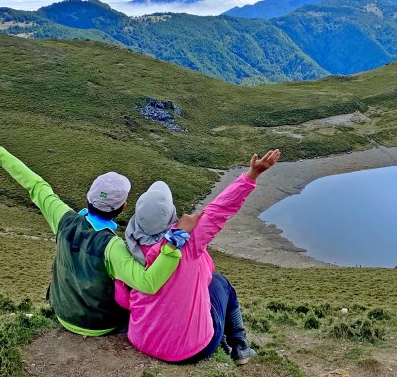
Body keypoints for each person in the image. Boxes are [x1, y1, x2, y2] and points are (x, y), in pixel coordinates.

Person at [0, 125, 188, 336]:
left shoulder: (63, 218)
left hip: (62, 313)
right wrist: (171, 247)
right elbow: (148, 282)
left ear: (89, 197)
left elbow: (34, 183)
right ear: (123, 208)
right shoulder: (112, 247)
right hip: (99, 325)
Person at [117, 149, 280, 365]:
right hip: (193, 349)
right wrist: (252, 174)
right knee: (222, 284)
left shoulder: (126, 247)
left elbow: (122, 298)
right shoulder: (188, 241)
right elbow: (219, 209)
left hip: (142, 341)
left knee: (205, 285)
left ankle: (229, 341)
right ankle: (240, 347)